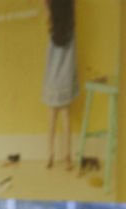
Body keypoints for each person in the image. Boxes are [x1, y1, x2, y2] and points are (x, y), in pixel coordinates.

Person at [43, 0, 78, 170]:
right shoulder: (71, 31)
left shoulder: (52, 30)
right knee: (66, 119)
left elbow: (47, 5)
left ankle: (49, 156)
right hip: (65, 79)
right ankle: (68, 158)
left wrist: (48, 6)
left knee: (52, 119)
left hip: (52, 79)